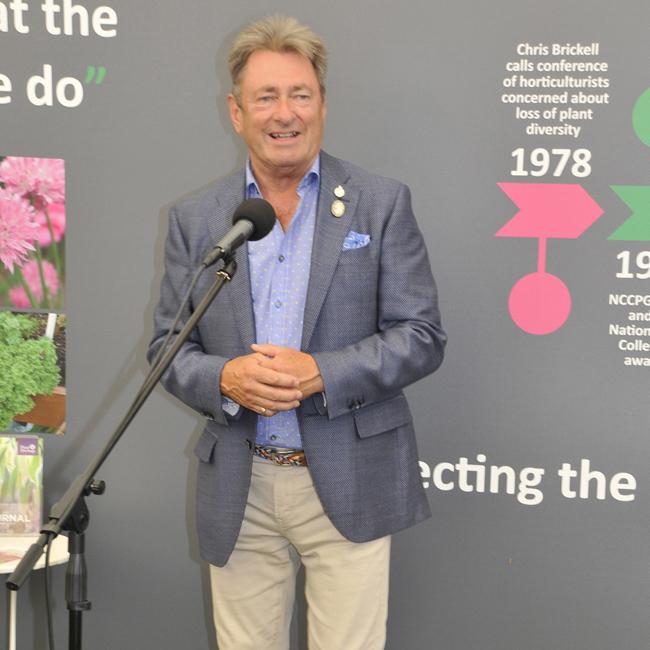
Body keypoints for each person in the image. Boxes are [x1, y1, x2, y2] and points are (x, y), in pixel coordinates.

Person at [149, 15, 446, 650]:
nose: (284, 113)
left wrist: (322, 373)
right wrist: (224, 378)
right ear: (237, 112)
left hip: (349, 476)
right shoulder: (197, 218)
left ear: (323, 105)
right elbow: (167, 349)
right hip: (241, 483)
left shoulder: (380, 202)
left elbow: (421, 334)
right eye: (266, 97)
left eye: (300, 94)